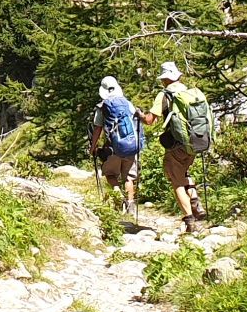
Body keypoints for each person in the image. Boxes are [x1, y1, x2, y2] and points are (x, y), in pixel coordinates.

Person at [139, 61, 206, 233]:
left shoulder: (165, 95)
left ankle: (189, 220)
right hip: (195, 142)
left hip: (176, 145)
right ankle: (195, 201)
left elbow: (149, 120)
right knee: (183, 173)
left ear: (165, 79)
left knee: (176, 180)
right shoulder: (189, 92)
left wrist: (139, 115)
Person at [88, 76, 143, 218]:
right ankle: (130, 205)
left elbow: (97, 129)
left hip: (113, 148)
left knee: (110, 173)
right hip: (131, 146)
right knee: (129, 177)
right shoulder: (127, 103)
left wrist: (93, 147)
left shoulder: (102, 107)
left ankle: (119, 195)